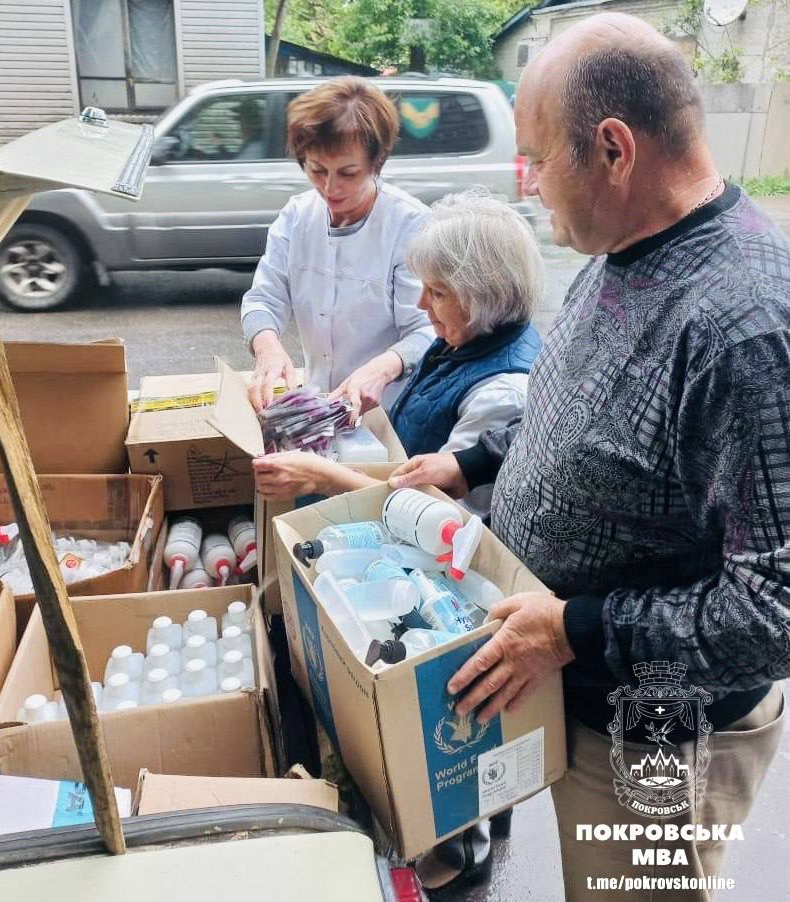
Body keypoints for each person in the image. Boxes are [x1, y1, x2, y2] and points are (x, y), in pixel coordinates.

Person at [390, 14, 789, 901]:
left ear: (612, 148)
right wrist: (476, 461)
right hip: (580, 693)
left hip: (661, 729)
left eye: (536, 157)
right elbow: (581, 415)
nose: (526, 185)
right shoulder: (620, 250)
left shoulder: (745, 327)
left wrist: (571, 630)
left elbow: (774, 611)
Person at [252, 190, 543, 525]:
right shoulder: (466, 340)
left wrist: (325, 478)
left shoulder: (500, 394)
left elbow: (442, 521)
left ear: (482, 296)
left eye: (436, 293)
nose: (421, 305)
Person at [241, 76, 433, 414]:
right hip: (320, 405)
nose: (330, 187)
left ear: (377, 162)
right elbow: (262, 300)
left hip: (390, 410)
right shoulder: (296, 217)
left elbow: (425, 329)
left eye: (348, 173)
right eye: (317, 170)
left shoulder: (410, 225)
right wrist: (267, 347)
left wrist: (384, 368)